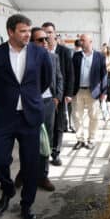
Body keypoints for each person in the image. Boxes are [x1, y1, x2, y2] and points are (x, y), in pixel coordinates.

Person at [0, 14, 52, 219]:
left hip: (29, 116)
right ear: (10, 32)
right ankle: (7, 189)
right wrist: (9, 97)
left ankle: (27, 204)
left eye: (29, 31)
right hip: (3, 116)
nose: (27, 35)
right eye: (22, 31)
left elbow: (45, 81)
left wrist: (29, 98)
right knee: (0, 161)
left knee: (30, 164)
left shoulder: (40, 53)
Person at [15, 28, 62, 191]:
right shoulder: (23, 58)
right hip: (28, 104)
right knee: (26, 140)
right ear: (31, 42)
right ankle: (25, 172)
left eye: (45, 40)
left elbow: (58, 78)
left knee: (46, 140)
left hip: (48, 103)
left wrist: (57, 98)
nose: (44, 43)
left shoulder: (53, 57)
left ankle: (43, 176)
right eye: (40, 40)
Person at [41, 22, 73, 165]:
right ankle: (44, 152)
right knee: (45, 126)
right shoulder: (39, 50)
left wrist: (67, 94)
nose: (47, 35)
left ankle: (56, 153)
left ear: (55, 33)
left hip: (59, 95)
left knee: (58, 125)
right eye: (44, 32)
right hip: (43, 97)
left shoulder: (64, 51)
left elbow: (69, 74)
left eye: (49, 32)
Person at [71, 34, 108, 150]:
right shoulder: (76, 56)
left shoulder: (99, 56)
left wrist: (104, 92)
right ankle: (80, 140)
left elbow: (104, 75)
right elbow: (71, 74)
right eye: (80, 40)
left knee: (94, 117)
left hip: (94, 91)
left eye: (83, 40)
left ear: (90, 41)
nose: (81, 42)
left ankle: (91, 139)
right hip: (77, 91)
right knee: (77, 116)